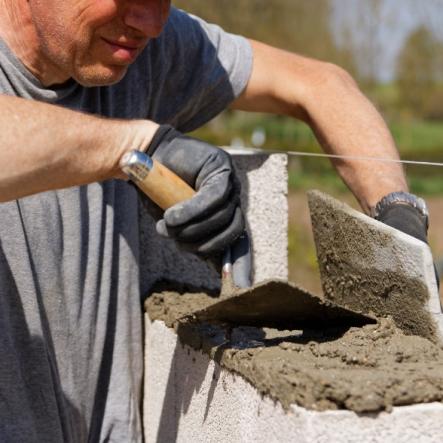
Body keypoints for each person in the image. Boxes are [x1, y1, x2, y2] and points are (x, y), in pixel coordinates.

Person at [0, 1, 433, 441]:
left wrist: (396, 215)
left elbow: (320, 83)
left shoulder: (139, 52)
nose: (149, 24)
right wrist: (134, 146)